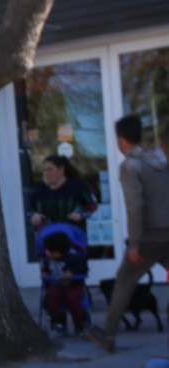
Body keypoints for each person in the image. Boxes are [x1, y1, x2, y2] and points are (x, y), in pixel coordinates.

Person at [85, 115, 169, 352]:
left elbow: (135, 205)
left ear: (121, 140)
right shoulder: (161, 161)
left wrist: (134, 244)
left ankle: (108, 335)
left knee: (124, 280)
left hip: (149, 237)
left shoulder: (130, 166)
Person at [27, 154, 96, 233]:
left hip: (72, 235)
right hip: (47, 237)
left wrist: (80, 215)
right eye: (44, 170)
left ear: (61, 170)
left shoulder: (77, 187)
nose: (46, 173)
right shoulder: (39, 190)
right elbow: (30, 209)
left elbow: (92, 206)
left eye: (50, 170)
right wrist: (34, 215)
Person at [41, 231, 88, 335]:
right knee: (52, 294)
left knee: (73, 298)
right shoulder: (47, 259)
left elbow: (83, 269)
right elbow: (46, 270)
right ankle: (56, 320)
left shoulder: (75, 258)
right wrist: (45, 273)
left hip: (73, 285)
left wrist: (71, 273)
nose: (47, 252)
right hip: (55, 285)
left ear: (59, 252)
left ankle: (79, 323)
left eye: (50, 250)